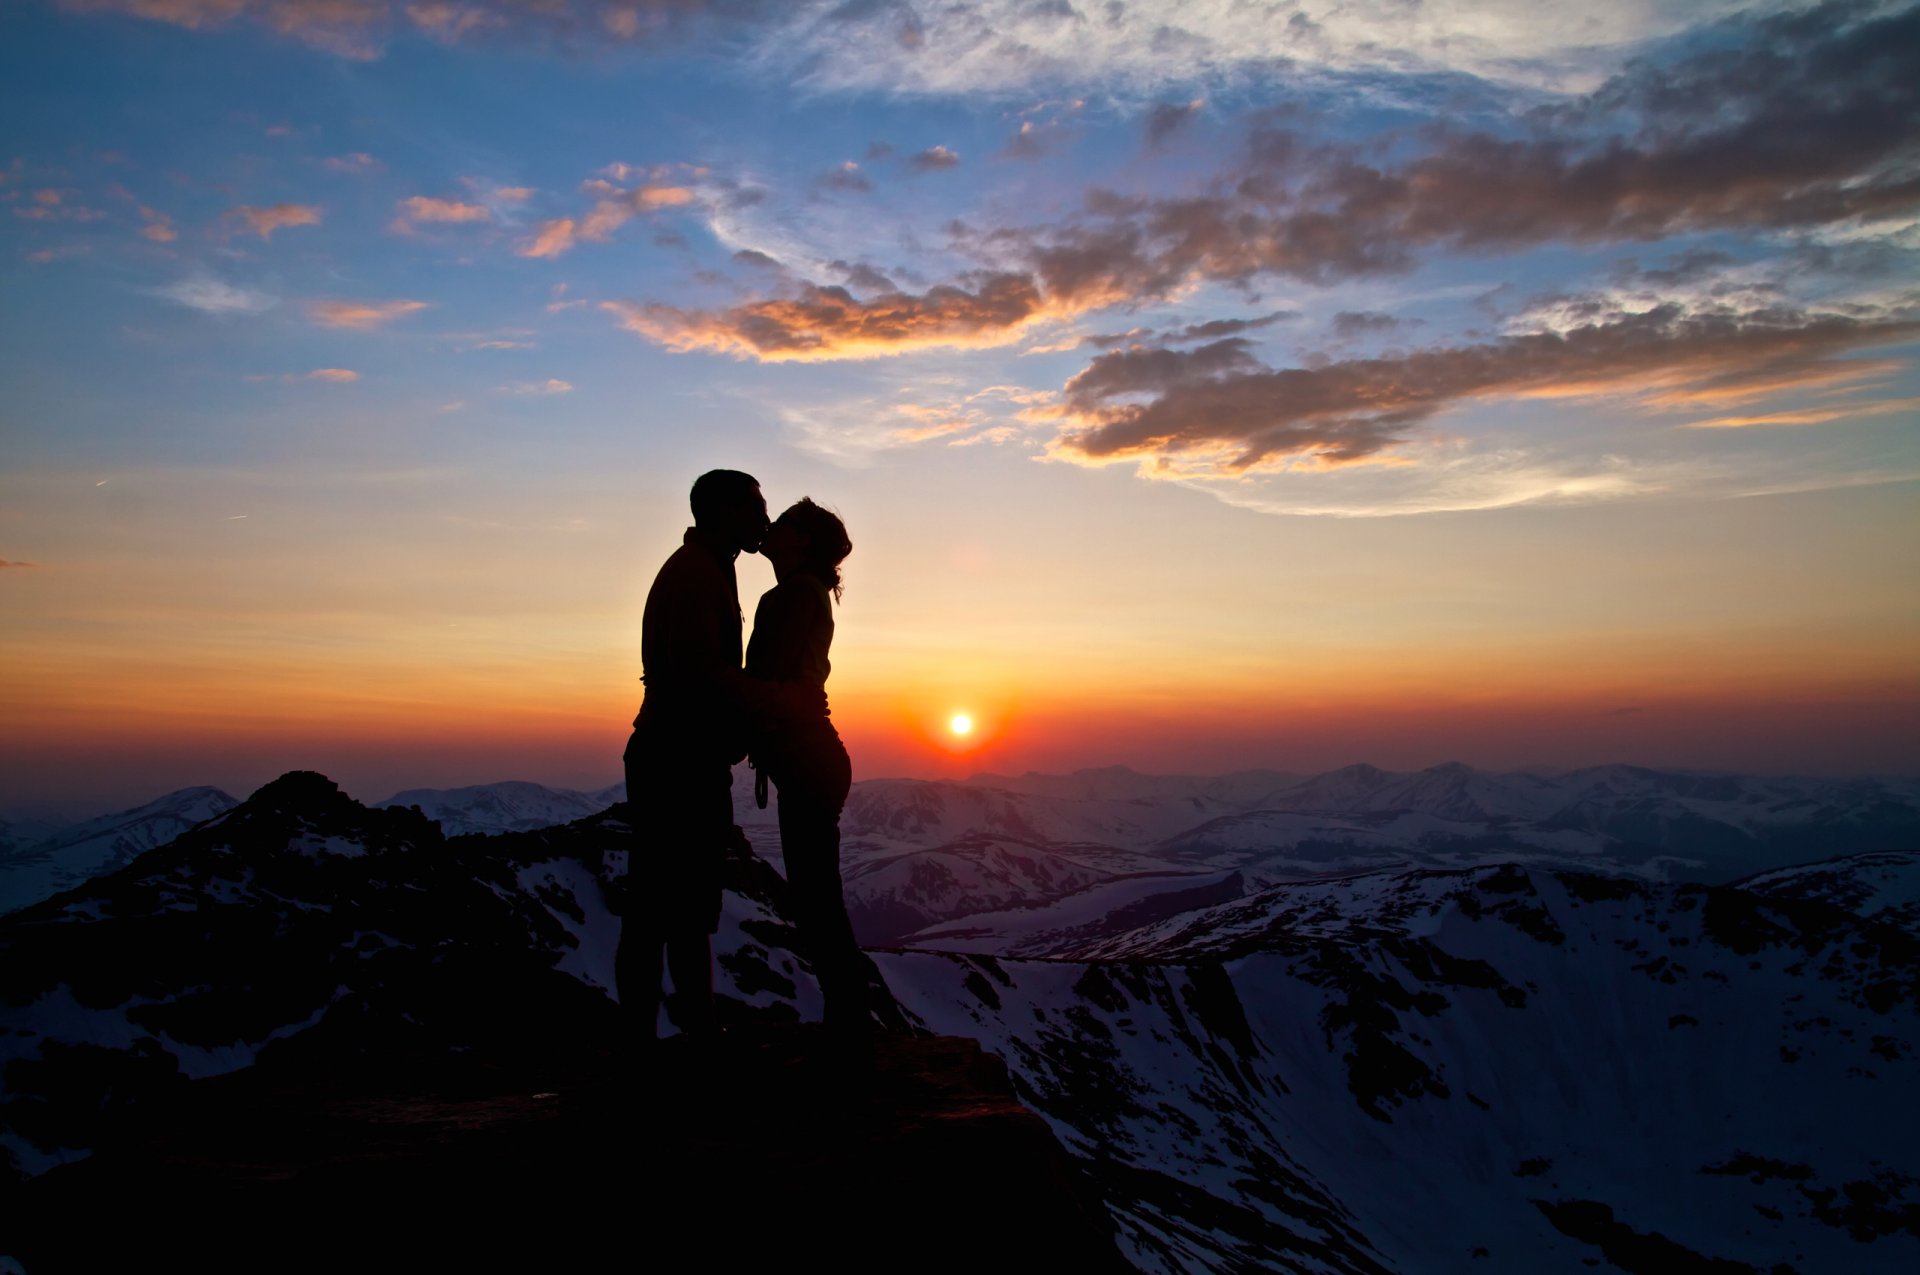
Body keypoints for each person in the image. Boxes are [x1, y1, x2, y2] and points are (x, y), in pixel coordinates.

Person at [615, 469, 768, 1047]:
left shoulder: (706, 569)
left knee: (670, 902)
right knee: (667, 903)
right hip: (679, 758)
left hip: (675, 752)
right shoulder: (699, 576)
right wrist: (768, 700)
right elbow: (700, 674)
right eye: (754, 507)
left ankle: (671, 1031)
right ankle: (674, 1034)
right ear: (723, 513)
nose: (763, 519)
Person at [745, 498, 871, 1036]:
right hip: (810, 759)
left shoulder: (792, 595)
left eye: (786, 522)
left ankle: (849, 1024)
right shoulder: (801, 594)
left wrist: (724, 693)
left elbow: (786, 689)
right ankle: (847, 1021)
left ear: (803, 542)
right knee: (817, 899)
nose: (773, 526)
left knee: (816, 902)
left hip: (806, 757)